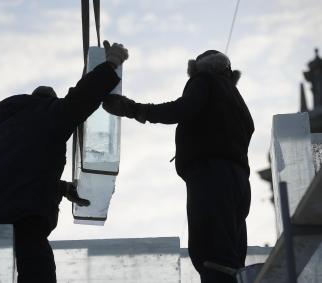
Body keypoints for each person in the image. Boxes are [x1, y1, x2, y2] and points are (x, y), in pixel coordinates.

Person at [0, 41, 129, 283]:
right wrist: (111, 63)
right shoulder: (48, 113)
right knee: (38, 272)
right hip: (23, 214)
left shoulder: (4, 127)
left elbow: (18, 170)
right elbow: (83, 97)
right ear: (50, 101)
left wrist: (61, 188)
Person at [103, 50, 254, 283]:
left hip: (211, 175)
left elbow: (181, 109)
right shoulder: (238, 101)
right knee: (231, 256)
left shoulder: (203, 81)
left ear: (198, 69)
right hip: (239, 182)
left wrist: (132, 109)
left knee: (211, 252)